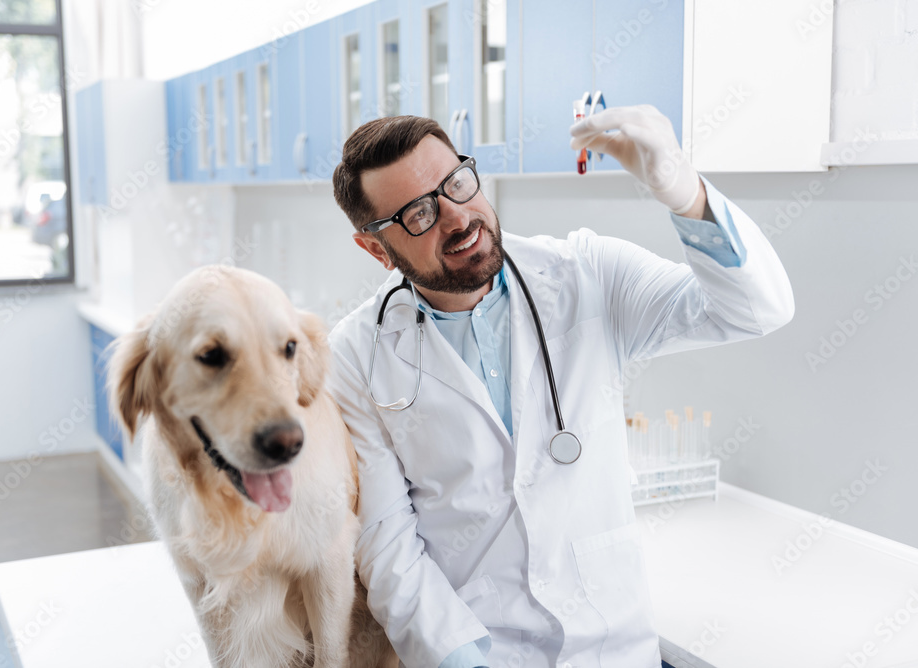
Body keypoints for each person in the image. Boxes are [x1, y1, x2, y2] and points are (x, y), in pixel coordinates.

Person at [327, 106, 794, 668]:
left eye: (456, 183)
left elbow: (755, 309)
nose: (457, 218)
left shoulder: (584, 272)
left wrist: (684, 192)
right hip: (477, 647)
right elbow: (386, 542)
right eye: (419, 214)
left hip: (613, 644)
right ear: (377, 249)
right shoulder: (355, 353)